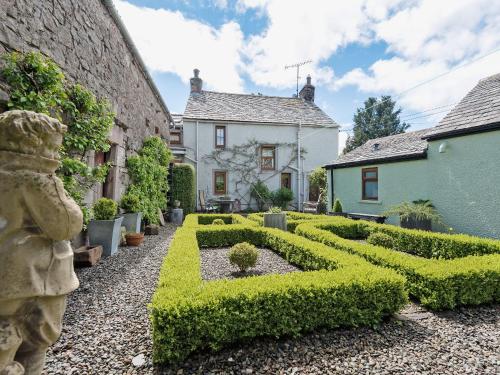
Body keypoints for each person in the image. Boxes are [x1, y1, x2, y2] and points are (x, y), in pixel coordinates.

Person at [0, 110, 83, 375]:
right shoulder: (34, 180)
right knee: (33, 343)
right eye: (54, 149)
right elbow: (67, 223)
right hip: (31, 277)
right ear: (38, 144)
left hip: (10, 277)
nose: (57, 156)